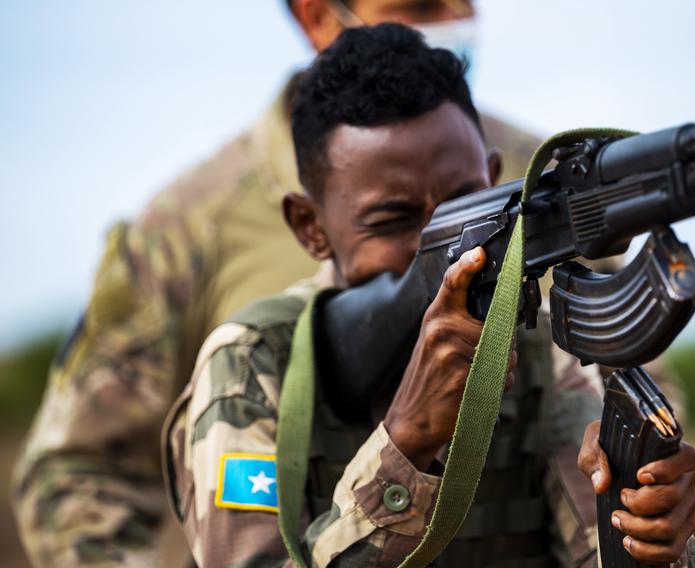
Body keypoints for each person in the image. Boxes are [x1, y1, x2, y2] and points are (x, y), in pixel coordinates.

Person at [11, 2, 546, 566]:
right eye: (416, 5)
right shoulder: (191, 223)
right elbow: (79, 472)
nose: (449, 19)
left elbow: (614, 370)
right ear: (316, 15)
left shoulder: (535, 168)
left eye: (460, 2)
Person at [164, 24, 695, 568]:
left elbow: (601, 546)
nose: (443, 250)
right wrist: (407, 440)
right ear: (310, 226)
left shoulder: (540, 347)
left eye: (465, 204)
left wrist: (649, 539)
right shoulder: (253, 363)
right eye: (392, 219)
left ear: (495, 178)